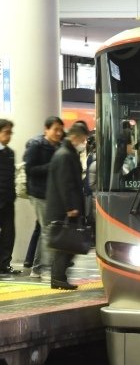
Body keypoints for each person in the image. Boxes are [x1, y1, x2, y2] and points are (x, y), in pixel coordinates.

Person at [45, 121, 88, 291]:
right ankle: (58, 278)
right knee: (64, 245)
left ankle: (59, 278)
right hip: (63, 209)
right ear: (75, 137)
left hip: (65, 208)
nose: (84, 143)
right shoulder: (64, 155)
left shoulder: (67, 153)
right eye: (83, 140)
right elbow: (66, 184)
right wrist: (70, 207)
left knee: (65, 245)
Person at [23, 116, 64, 279]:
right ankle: (44, 268)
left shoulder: (58, 146)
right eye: (55, 129)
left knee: (44, 230)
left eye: (61, 130)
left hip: (52, 194)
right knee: (48, 230)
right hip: (38, 193)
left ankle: (38, 268)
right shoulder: (37, 146)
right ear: (46, 129)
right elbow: (30, 169)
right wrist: (51, 167)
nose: (59, 133)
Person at [0, 119, 20, 279]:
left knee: (9, 234)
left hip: (8, 201)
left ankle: (5, 264)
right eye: (6, 132)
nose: (9, 136)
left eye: (10, 132)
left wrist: (12, 195)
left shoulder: (9, 153)